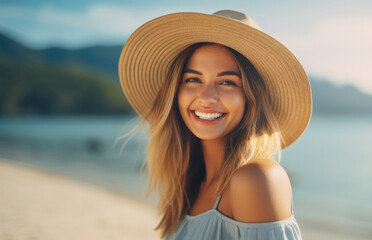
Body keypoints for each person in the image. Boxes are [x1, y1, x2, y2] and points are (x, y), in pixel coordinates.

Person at [118, 10, 312, 240]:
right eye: (193, 79)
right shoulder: (188, 185)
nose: (207, 97)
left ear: (252, 98)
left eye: (227, 82)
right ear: (176, 92)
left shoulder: (256, 179)